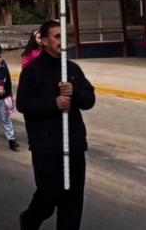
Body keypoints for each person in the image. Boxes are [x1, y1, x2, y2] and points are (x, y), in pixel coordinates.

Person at [17, 20, 95, 230]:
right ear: (43, 41)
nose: (62, 41)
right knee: (48, 196)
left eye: (64, 36)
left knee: (72, 200)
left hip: (73, 144)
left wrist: (75, 93)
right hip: (46, 145)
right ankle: (30, 219)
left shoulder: (72, 69)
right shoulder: (32, 71)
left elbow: (89, 100)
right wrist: (54, 103)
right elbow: (23, 103)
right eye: (57, 36)